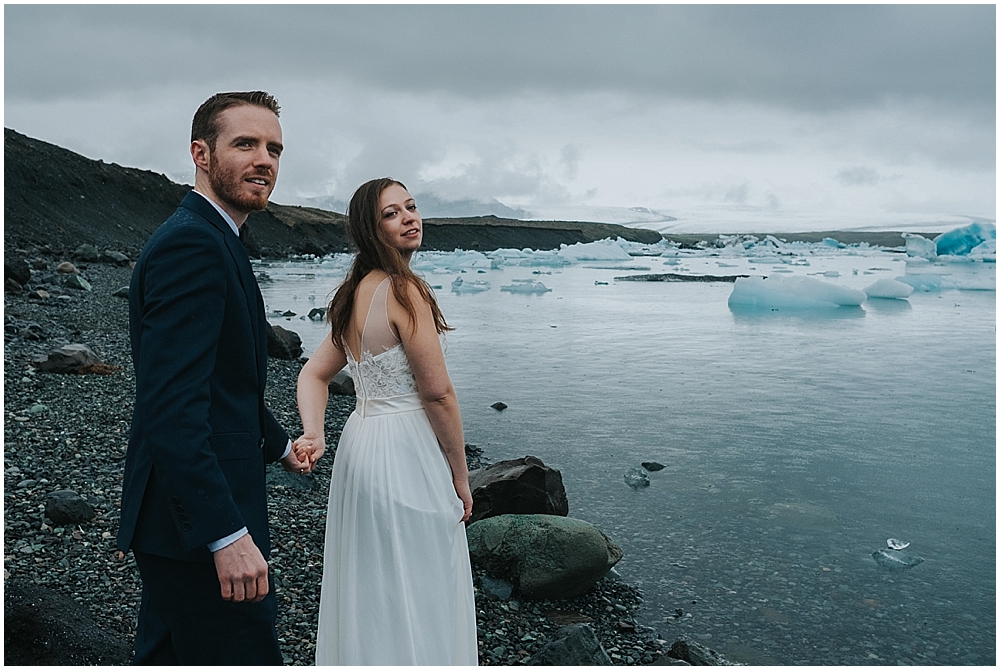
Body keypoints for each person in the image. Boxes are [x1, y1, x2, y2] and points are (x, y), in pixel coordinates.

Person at [118, 91, 309, 665]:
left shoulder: (217, 236)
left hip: (178, 520)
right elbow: (171, 406)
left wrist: (278, 445)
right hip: (195, 524)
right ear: (201, 153)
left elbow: (225, 382)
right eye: (245, 143)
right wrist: (224, 535)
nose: (265, 160)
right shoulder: (194, 244)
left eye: (274, 148)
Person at [294, 178, 478, 665]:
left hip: (361, 446)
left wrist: (317, 433)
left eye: (411, 207)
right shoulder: (404, 289)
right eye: (392, 214)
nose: (409, 218)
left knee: (373, 581)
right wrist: (460, 476)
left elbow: (313, 375)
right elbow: (437, 393)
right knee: (422, 579)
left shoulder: (354, 293)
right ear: (370, 230)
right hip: (406, 448)